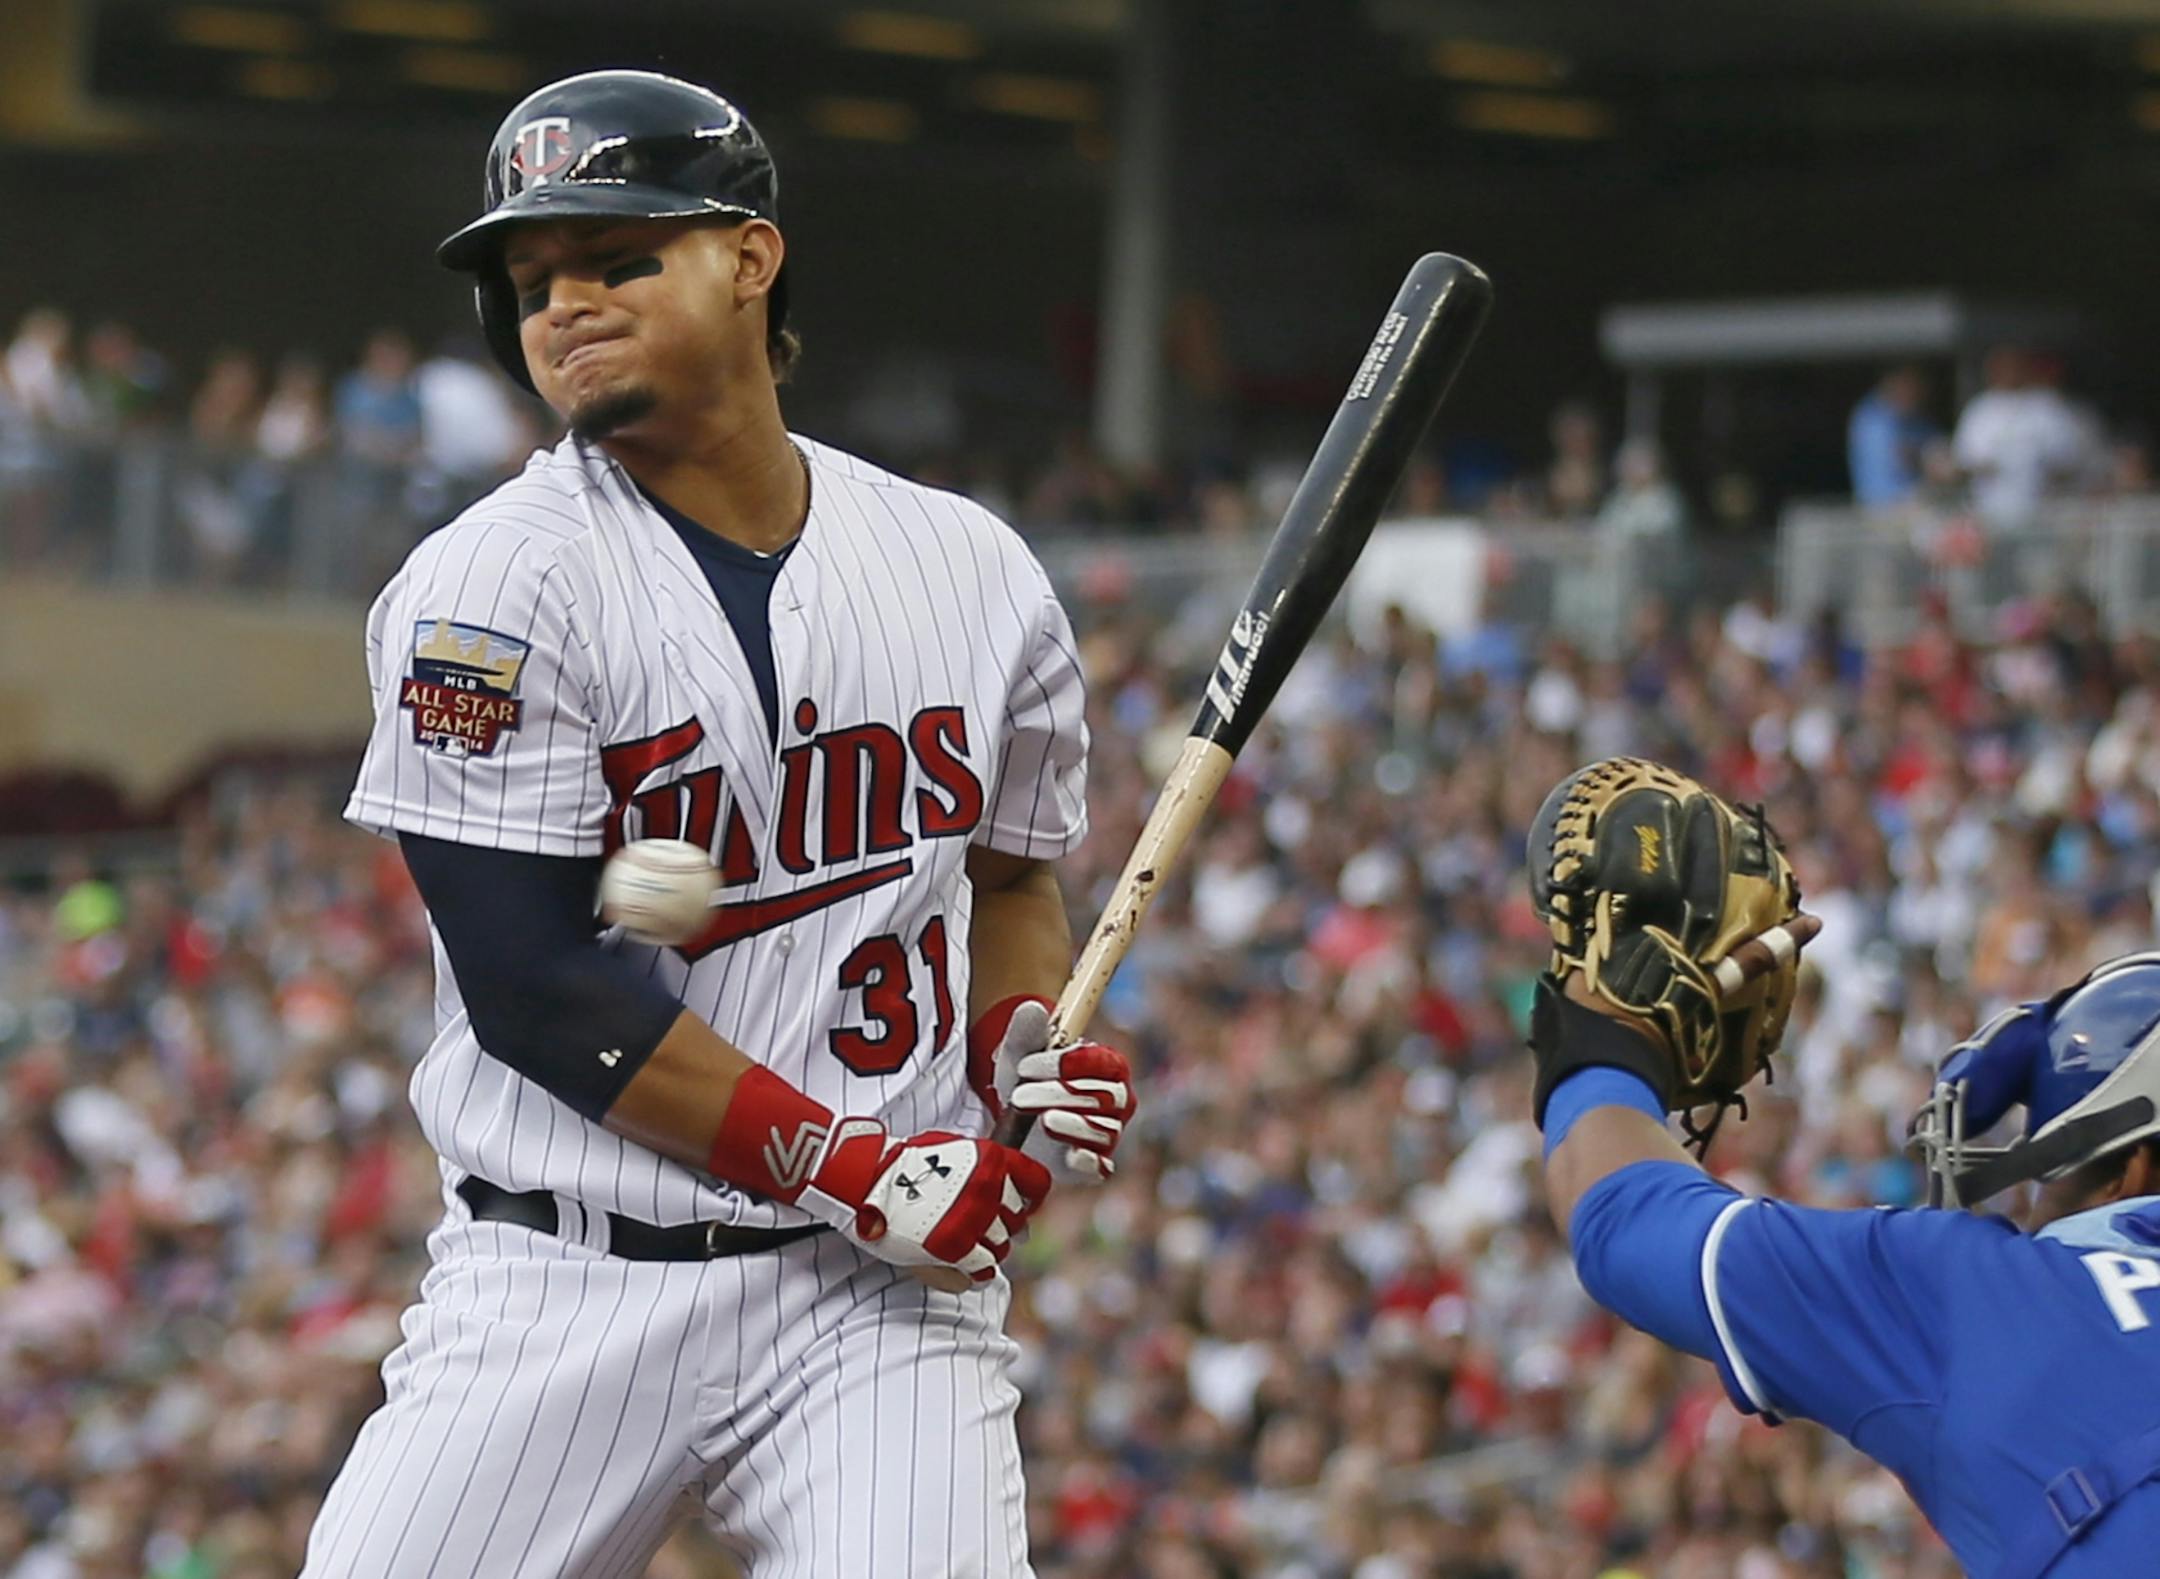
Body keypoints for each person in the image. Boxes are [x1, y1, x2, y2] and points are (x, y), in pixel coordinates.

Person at [304, 69, 1136, 1578]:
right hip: (567, 1277)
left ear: (751, 258)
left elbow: (1010, 876)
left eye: (620, 259)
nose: (565, 305)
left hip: (866, 1300)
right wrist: (852, 1162)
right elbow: (536, 985)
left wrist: (1025, 1040)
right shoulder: (486, 590)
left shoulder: (969, 564)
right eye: (533, 278)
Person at [1530, 768, 2160, 1577]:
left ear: (2132, 1166)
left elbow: (1620, 1215)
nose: (2030, 1215)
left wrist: (1605, 1025)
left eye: (2049, 1180)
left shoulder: (1985, 1289)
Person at [1847, 365, 1941, 510]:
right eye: (1910, 387)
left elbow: (1936, 447)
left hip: (1910, 504)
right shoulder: (1872, 418)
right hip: (1880, 507)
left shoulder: (1917, 420)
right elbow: (1901, 458)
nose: (1916, 395)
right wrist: (1925, 460)